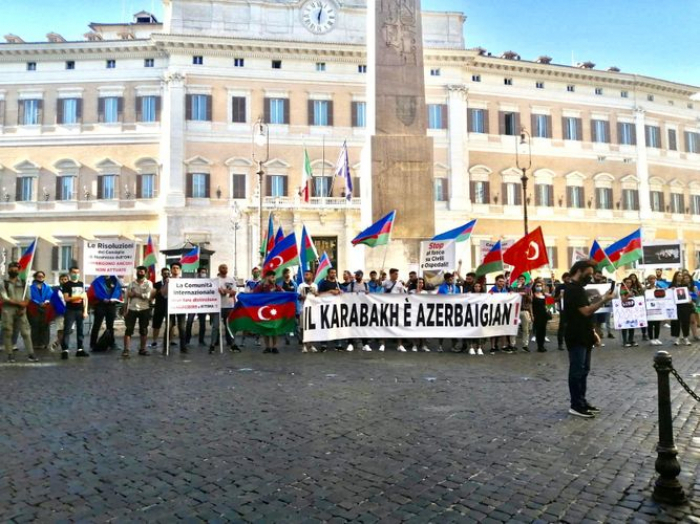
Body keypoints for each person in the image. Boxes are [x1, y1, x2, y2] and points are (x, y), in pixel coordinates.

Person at [563, 259, 614, 418]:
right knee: (577, 371)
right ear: (580, 270)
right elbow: (586, 311)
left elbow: (585, 317)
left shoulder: (580, 289)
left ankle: (582, 401)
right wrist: (604, 300)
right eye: (589, 273)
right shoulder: (573, 289)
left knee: (584, 370)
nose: (591, 277)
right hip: (576, 335)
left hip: (585, 334)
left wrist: (593, 333)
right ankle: (576, 405)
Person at [1, 262, 38, 362]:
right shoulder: (3, 283)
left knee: (26, 332)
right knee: (8, 332)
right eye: (12, 268)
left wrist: (23, 306)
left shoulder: (23, 283)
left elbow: (28, 297)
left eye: (16, 269)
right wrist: (19, 303)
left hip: (21, 310)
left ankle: (31, 354)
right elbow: (4, 297)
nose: (14, 270)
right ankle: (10, 354)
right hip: (8, 310)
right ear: (8, 270)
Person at [122, 266, 153, 357]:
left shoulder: (149, 283)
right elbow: (126, 299)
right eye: (138, 271)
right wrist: (124, 311)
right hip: (132, 309)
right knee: (128, 330)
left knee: (143, 330)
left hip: (144, 309)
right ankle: (126, 349)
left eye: (142, 272)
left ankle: (142, 349)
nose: (140, 273)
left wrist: (135, 294)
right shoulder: (131, 284)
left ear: (145, 273)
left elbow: (148, 296)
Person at [60, 266, 89, 359]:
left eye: (77, 272)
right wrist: (79, 297)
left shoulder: (81, 284)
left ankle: (80, 349)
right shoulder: (67, 285)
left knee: (80, 331)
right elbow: (66, 298)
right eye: (74, 272)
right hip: (70, 310)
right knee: (67, 330)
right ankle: (65, 350)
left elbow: (85, 298)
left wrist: (85, 310)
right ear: (70, 273)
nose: (75, 274)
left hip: (80, 310)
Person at [253, 270, 283, 354]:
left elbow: (284, 294)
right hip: (264, 311)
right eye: (271, 277)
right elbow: (254, 295)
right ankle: (267, 347)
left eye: (274, 277)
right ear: (267, 277)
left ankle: (274, 346)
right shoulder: (261, 287)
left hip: (274, 311)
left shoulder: (277, 287)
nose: (273, 278)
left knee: (275, 329)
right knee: (265, 328)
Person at [89, 274, 122, 352]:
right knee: (97, 325)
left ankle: (112, 343)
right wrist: (102, 299)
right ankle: (93, 344)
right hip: (100, 305)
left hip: (111, 305)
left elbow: (118, 291)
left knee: (110, 325)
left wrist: (115, 299)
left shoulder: (115, 280)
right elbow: (94, 292)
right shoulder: (98, 281)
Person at [210, 263, 238, 354]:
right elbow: (210, 291)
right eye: (222, 267)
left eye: (226, 267)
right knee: (215, 326)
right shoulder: (215, 280)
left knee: (229, 326)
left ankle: (232, 344)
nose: (224, 269)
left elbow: (233, 292)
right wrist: (218, 291)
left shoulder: (231, 280)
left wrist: (225, 291)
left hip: (229, 306)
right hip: (217, 307)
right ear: (219, 269)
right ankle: (212, 345)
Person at [161, 262, 188, 354]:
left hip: (181, 306)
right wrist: (167, 283)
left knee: (182, 327)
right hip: (170, 305)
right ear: (171, 270)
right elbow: (163, 293)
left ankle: (183, 347)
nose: (175, 269)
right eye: (173, 268)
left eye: (177, 268)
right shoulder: (168, 280)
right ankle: (165, 347)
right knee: (168, 326)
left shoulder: (184, 281)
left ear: (180, 270)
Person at [317, 268, 344, 352]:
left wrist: (341, 291)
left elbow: (343, 292)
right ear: (328, 274)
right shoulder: (323, 283)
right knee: (325, 326)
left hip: (336, 307)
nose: (334, 274)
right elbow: (319, 294)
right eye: (332, 273)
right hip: (326, 307)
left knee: (337, 326)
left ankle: (338, 344)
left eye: (335, 272)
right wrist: (330, 291)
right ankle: (324, 344)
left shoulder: (337, 283)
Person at [380, 268, 406, 352]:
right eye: (395, 274)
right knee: (385, 325)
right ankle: (382, 344)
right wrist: (380, 276)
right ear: (390, 274)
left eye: (397, 274)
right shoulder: (386, 282)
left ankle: (399, 345)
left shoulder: (399, 284)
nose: (397, 275)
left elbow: (403, 295)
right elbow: (379, 284)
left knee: (398, 325)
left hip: (396, 308)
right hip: (387, 306)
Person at [346, 270, 372, 352]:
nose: (356, 276)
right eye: (356, 275)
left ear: (361, 275)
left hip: (363, 309)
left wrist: (367, 294)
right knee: (352, 326)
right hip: (353, 308)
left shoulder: (366, 285)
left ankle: (365, 344)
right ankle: (350, 343)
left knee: (364, 327)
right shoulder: (351, 285)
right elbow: (347, 296)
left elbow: (369, 296)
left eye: (358, 275)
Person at [27, 270, 53, 350]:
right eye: (39, 276)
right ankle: (35, 343)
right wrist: (38, 302)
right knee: (35, 325)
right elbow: (30, 297)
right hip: (34, 308)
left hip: (46, 308)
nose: (41, 278)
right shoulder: (30, 288)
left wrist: (46, 301)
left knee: (45, 325)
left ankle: (44, 343)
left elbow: (50, 295)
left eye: (42, 276)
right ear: (35, 277)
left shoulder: (47, 287)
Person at [185, 266, 208, 347]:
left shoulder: (208, 282)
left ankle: (201, 340)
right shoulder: (193, 281)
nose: (204, 274)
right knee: (189, 322)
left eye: (205, 272)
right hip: (193, 304)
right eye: (202, 272)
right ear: (198, 273)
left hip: (202, 305)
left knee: (202, 324)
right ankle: (187, 340)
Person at [437, 272, 460, 352]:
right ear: (446, 279)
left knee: (454, 330)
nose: (451, 280)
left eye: (452, 279)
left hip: (454, 311)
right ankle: (440, 346)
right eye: (450, 279)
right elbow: (438, 298)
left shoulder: (456, 288)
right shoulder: (441, 288)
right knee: (442, 329)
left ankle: (453, 347)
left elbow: (459, 297)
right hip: (444, 311)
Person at [489, 274, 511, 354]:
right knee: (493, 330)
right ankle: (492, 347)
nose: (501, 283)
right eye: (500, 281)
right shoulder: (492, 290)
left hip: (503, 311)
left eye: (503, 281)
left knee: (503, 330)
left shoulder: (505, 290)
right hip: (494, 311)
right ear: (496, 282)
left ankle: (503, 346)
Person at [297, 270, 318, 353]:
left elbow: (317, 296)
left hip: (313, 309)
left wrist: (315, 293)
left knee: (312, 327)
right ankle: (304, 345)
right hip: (303, 308)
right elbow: (298, 296)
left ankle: (311, 345)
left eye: (307, 275)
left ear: (312, 276)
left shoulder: (315, 285)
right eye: (305, 275)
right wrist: (303, 296)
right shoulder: (301, 286)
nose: (306, 276)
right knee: (303, 328)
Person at [149, 267, 170, 349]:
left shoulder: (173, 283)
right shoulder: (157, 284)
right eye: (165, 273)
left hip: (169, 307)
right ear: (161, 274)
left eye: (168, 273)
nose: (166, 275)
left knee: (171, 325)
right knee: (156, 325)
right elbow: (152, 296)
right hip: (159, 306)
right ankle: (154, 341)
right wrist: (159, 291)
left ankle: (170, 341)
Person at [670, 271, 693, 346]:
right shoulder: (672, 285)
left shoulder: (685, 285)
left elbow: (689, 294)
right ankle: (677, 338)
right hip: (676, 306)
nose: (680, 277)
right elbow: (668, 295)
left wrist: (690, 299)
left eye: (681, 276)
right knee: (676, 323)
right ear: (675, 276)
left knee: (685, 322)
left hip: (685, 306)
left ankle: (686, 337)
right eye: (678, 275)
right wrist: (671, 290)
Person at [409, 277, 430, 352]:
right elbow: (408, 300)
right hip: (414, 312)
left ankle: (424, 345)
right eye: (419, 282)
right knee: (414, 330)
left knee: (423, 330)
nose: (421, 284)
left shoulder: (425, 292)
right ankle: (414, 345)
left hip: (423, 313)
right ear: (416, 284)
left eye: (422, 282)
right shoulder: (412, 291)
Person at [513, 274, 533, 352]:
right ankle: (512, 344)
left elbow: (531, 300)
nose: (521, 281)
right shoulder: (514, 288)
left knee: (526, 329)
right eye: (519, 279)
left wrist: (526, 294)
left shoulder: (528, 289)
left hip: (524, 310)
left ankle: (525, 345)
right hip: (515, 311)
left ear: (525, 281)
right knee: (514, 329)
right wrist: (517, 291)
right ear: (517, 280)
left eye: (522, 279)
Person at [51, 273, 69, 352]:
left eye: (65, 279)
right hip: (60, 313)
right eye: (62, 279)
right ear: (59, 280)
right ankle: (63, 346)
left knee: (70, 329)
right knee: (61, 330)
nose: (64, 281)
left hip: (70, 312)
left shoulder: (70, 290)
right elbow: (54, 302)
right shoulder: (56, 291)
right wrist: (61, 310)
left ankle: (57, 342)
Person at [465, 282, 485, 355]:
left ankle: (479, 348)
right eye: (475, 286)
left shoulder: (484, 295)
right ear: (473, 287)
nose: (477, 288)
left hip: (480, 316)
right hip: (471, 315)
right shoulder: (469, 295)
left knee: (480, 332)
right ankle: (471, 347)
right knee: (471, 332)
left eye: (479, 286)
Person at [280, 268, 298, 346]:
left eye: (288, 273)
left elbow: (296, 294)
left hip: (292, 305)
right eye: (286, 273)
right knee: (285, 322)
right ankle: (286, 337)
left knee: (295, 322)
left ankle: (298, 336)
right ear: (283, 275)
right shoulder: (281, 284)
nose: (287, 275)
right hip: (284, 306)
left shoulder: (294, 284)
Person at [531, 278, 551, 352]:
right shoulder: (532, 295)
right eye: (537, 285)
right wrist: (532, 315)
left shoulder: (544, 295)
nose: (539, 287)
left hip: (544, 315)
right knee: (538, 330)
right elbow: (530, 305)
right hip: (537, 315)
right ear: (534, 286)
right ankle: (539, 346)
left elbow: (550, 302)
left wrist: (548, 307)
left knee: (543, 330)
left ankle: (542, 345)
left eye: (540, 285)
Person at [620, 277, 638, 348]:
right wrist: (628, 295)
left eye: (630, 282)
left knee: (632, 324)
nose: (628, 284)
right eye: (627, 282)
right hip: (624, 309)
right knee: (624, 325)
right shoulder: (622, 290)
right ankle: (625, 340)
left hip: (631, 309)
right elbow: (623, 299)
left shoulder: (632, 289)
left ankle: (631, 339)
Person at [554, 272, 570, 351]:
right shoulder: (560, 287)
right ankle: (560, 343)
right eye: (567, 277)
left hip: (572, 309)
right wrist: (559, 297)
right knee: (562, 326)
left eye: (569, 277)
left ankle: (570, 342)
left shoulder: (573, 286)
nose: (568, 278)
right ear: (563, 278)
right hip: (563, 309)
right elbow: (554, 299)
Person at [645, 274, 663, 346]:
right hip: (649, 309)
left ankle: (656, 338)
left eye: (653, 279)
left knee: (657, 324)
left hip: (657, 308)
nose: (652, 280)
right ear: (648, 280)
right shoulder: (646, 289)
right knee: (650, 325)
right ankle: (651, 339)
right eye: (651, 279)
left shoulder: (658, 288)